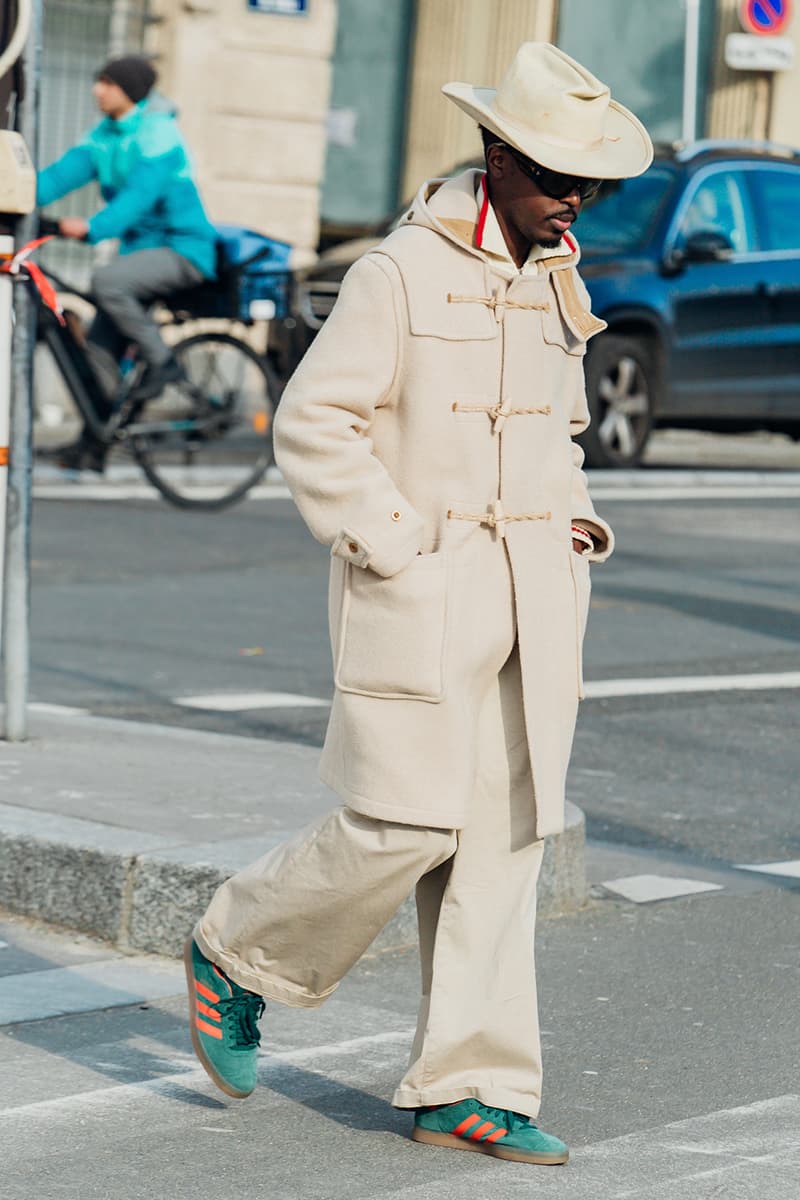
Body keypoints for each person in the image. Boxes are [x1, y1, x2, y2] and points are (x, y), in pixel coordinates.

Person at [183, 42, 652, 1167]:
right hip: (421, 594)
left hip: (535, 600)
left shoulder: (554, 276)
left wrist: (577, 521)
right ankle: (236, 952)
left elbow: (560, 431)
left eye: (586, 179)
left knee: (502, 842)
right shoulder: (397, 271)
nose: (572, 196)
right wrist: (402, 549)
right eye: (552, 173)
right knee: (403, 822)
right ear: (494, 154)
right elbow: (314, 424)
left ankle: (467, 1085)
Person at [37, 54, 218, 472]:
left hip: (184, 251)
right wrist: (15, 197)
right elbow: (58, 177)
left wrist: (90, 227)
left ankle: (164, 363)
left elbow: (141, 195)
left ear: (129, 91)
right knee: (98, 350)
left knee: (106, 282)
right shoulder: (104, 136)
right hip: (139, 257)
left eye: (106, 83)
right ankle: (95, 445)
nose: (96, 90)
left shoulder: (159, 133)